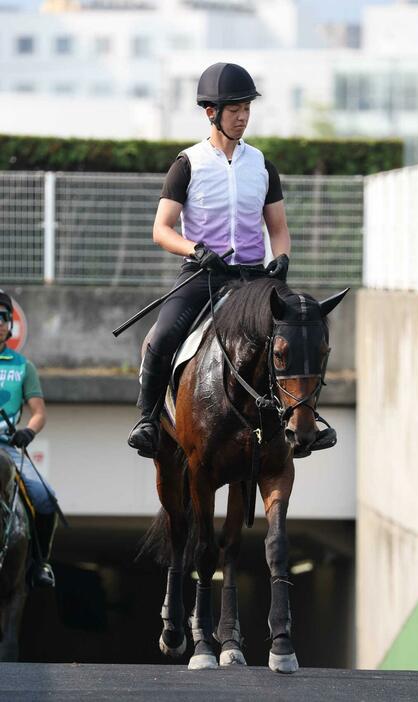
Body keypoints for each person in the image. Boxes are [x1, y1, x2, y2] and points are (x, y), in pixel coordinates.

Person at [127, 62, 290, 457]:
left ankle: (300, 422)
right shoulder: (187, 164)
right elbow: (161, 228)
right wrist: (194, 250)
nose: (243, 116)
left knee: (298, 333)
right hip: (203, 273)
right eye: (235, 109)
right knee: (162, 336)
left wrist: (281, 259)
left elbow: (279, 229)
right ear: (211, 112)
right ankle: (148, 419)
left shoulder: (262, 165)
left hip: (253, 276)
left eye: (247, 108)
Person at [0, 289, 57, 588]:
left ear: (10, 323)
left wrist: (28, 431)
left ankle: (40, 563)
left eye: (2, 317)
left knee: (46, 499)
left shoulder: (24, 366)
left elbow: (38, 413)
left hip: (9, 446)